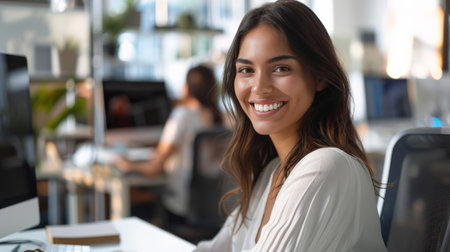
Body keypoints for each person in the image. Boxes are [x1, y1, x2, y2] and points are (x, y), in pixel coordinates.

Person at [195, 1, 387, 251]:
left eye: (281, 68)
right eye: (246, 70)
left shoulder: (326, 167)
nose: (259, 87)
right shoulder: (271, 173)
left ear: (319, 76)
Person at [114, 64, 222, 226]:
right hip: (215, 207)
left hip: (181, 205)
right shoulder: (224, 117)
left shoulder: (182, 115)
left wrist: (129, 165)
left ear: (186, 88)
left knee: (135, 210)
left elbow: (154, 169)